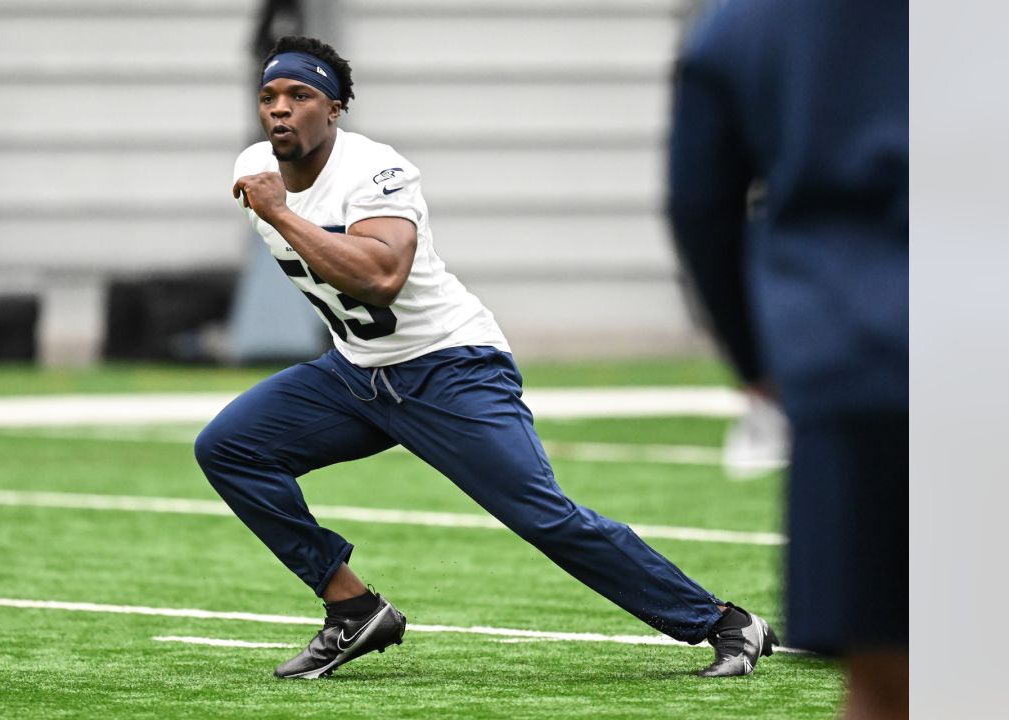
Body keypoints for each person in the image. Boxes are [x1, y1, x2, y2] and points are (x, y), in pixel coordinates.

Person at [196, 35, 775, 681]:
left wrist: (280, 214)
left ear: (333, 110)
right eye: (269, 96)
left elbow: (382, 276)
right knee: (229, 447)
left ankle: (724, 622)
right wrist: (278, 208)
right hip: (356, 372)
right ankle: (352, 608)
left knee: (542, 515)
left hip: (450, 367)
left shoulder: (376, 170)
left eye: (299, 95)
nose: (280, 109)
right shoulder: (253, 166)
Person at [667, 2, 907, 718]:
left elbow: (699, 202)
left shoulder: (745, 21)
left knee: (884, 684)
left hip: (854, 352)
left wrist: (760, 360)